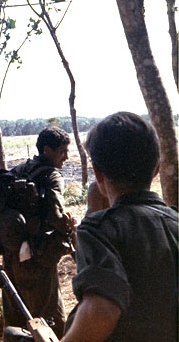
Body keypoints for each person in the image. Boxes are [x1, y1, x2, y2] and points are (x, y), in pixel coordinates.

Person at [64, 112, 178, 342]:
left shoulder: (98, 229)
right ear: (156, 169)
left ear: (97, 172)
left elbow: (101, 312)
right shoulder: (175, 221)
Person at [2, 126, 73, 340]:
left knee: (15, 321)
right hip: (38, 258)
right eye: (62, 151)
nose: (66, 157)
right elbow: (55, 214)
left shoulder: (19, 170)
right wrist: (69, 225)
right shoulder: (51, 176)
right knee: (51, 320)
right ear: (46, 150)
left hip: (12, 255)